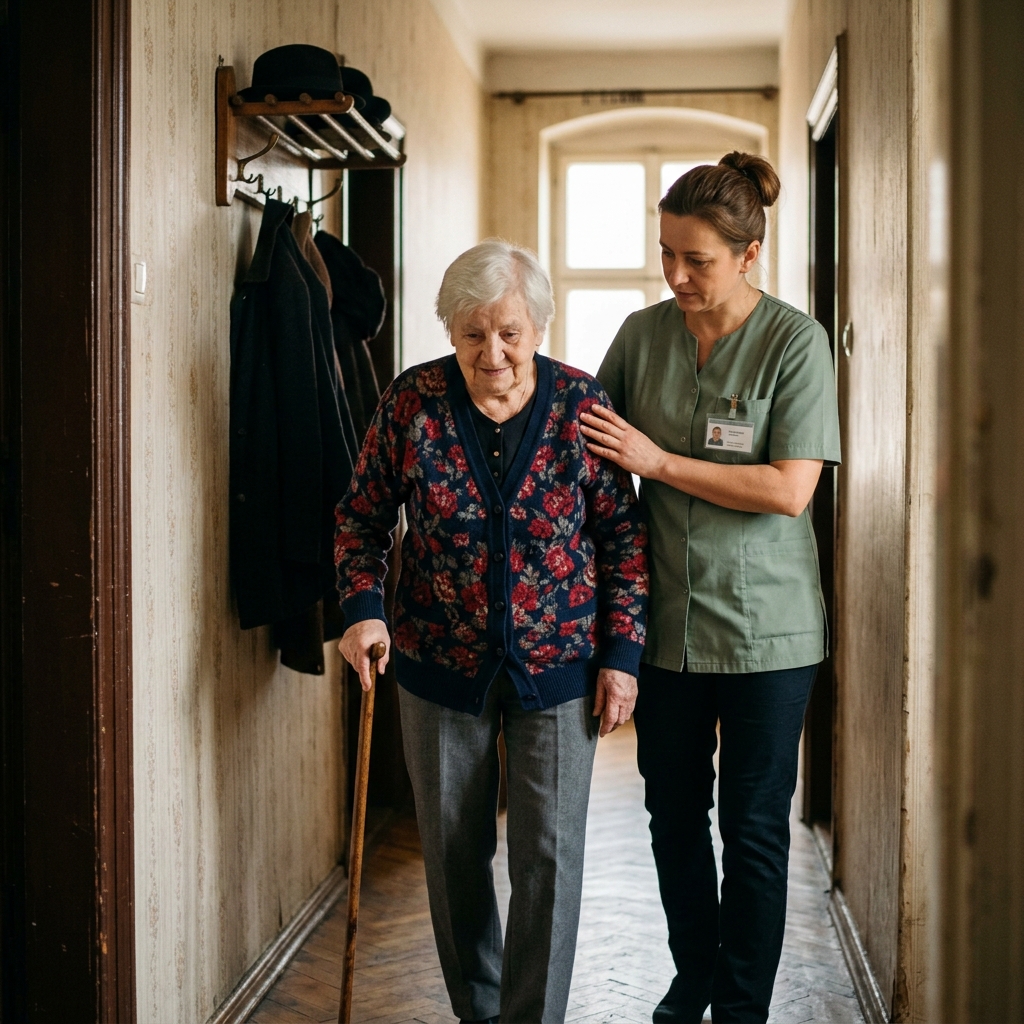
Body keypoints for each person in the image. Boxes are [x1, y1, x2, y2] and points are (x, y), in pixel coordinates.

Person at [334, 239, 649, 1024]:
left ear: (539, 326)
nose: (493, 352)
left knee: (548, 859)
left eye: (509, 331)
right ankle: (480, 1012)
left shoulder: (583, 407)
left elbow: (623, 539)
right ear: (448, 332)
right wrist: (363, 608)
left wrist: (622, 656)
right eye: (472, 333)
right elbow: (360, 521)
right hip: (438, 666)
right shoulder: (411, 404)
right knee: (452, 859)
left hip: (561, 668)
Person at [580, 152, 841, 1024]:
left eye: (699, 260)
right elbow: (580, 438)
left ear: (750, 253)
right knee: (672, 815)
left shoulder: (794, 344)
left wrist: (658, 462)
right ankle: (693, 973)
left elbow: (788, 489)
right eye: (667, 254)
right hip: (669, 630)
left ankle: (739, 1008)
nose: (678, 276)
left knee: (755, 829)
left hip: (771, 633)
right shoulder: (642, 335)